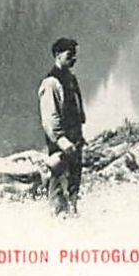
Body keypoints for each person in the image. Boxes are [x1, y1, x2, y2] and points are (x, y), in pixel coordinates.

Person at [38, 37, 85, 216]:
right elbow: (50, 118)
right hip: (61, 144)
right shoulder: (51, 83)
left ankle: (72, 215)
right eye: (70, 54)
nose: (74, 58)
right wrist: (62, 141)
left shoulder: (70, 79)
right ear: (57, 55)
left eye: (75, 55)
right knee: (58, 182)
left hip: (74, 141)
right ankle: (58, 220)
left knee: (73, 184)